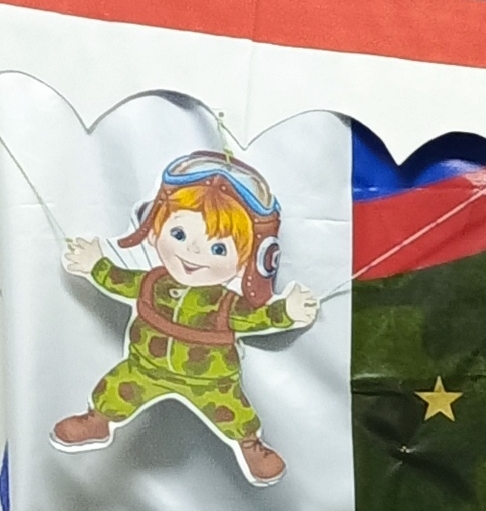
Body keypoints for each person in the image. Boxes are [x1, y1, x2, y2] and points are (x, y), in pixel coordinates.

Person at [52, 151, 318, 487]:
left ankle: (250, 445)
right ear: (155, 228)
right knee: (118, 386)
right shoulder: (151, 282)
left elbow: (257, 317)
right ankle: (98, 420)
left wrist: (287, 312)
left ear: (250, 260)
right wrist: (95, 265)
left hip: (211, 383)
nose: (192, 252)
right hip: (144, 367)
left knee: (233, 411)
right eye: (178, 234)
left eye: (218, 249)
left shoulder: (226, 303)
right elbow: (119, 280)